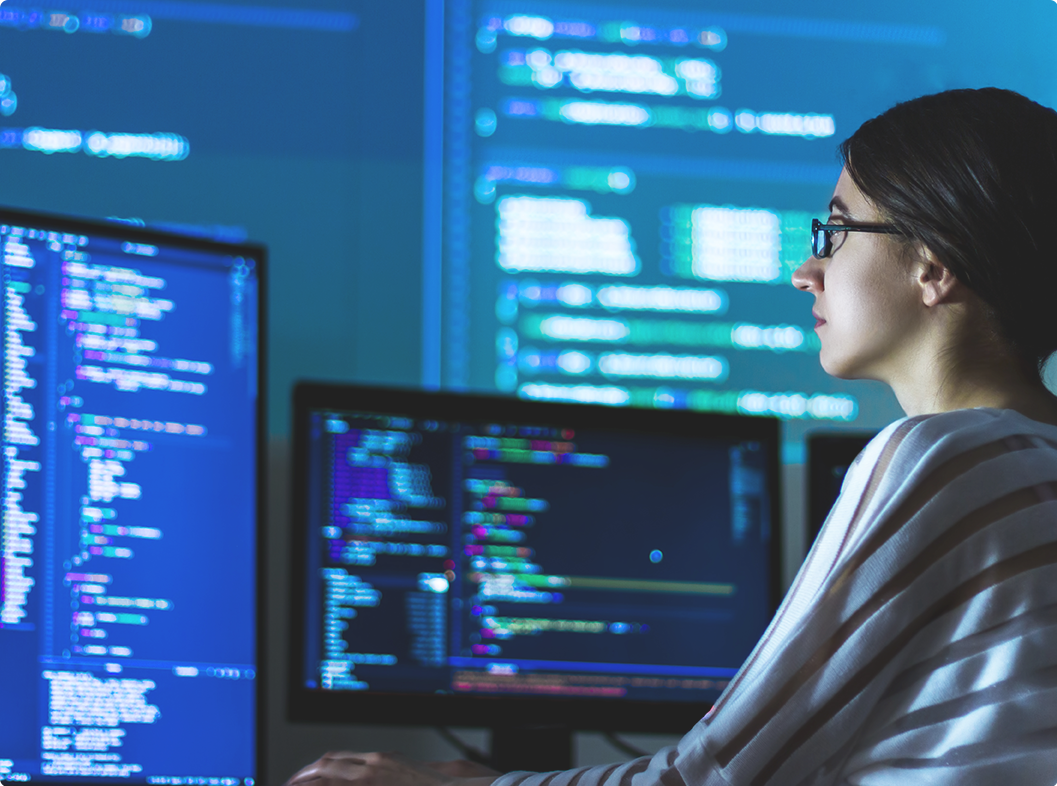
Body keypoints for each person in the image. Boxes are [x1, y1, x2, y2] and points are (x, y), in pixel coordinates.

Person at [286, 87, 1057, 785]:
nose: (805, 269)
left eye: (835, 231)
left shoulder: (948, 457)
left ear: (932, 264)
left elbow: (711, 781)